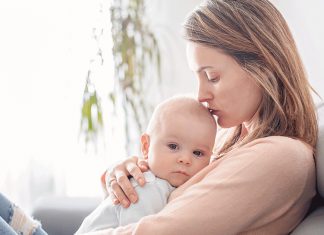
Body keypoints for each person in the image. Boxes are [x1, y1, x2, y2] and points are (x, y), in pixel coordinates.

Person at [84, 0, 318, 234]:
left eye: (212, 77)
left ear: (263, 67)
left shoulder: (280, 156)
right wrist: (130, 180)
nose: (201, 96)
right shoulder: (224, 141)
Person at [76, 96, 217, 233]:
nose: (185, 159)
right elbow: (136, 231)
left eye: (198, 153)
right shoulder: (147, 186)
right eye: (173, 146)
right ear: (146, 146)